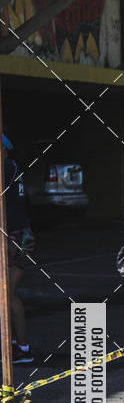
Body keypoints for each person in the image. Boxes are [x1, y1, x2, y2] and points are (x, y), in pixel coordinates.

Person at [2, 134, 35, 363]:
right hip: (23, 234)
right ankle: (14, 344)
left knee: (8, 294)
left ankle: (21, 348)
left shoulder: (3, 166)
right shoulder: (14, 167)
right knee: (8, 294)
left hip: (12, 236)